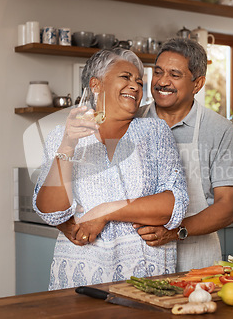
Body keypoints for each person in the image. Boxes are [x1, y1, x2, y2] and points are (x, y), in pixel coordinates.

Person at [33, 48, 189, 290]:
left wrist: (104, 212)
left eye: (139, 81)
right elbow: (52, 212)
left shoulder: (156, 133)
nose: (135, 86)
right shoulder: (62, 136)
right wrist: (68, 145)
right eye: (126, 77)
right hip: (81, 277)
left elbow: (173, 204)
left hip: (145, 279)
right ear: (96, 84)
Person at [135, 37, 233, 272]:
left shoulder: (219, 129)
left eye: (174, 75)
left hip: (197, 260)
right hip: (138, 255)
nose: (162, 82)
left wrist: (174, 231)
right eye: (158, 72)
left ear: (198, 84)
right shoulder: (132, 121)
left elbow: (227, 207)